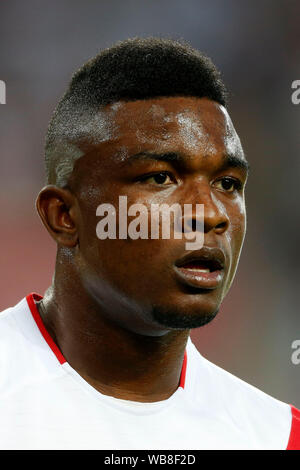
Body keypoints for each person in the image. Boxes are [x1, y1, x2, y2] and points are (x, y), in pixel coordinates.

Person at [0, 37, 299, 450]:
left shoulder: (277, 435)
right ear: (64, 216)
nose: (210, 214)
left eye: (228, 184)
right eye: (160, 177)